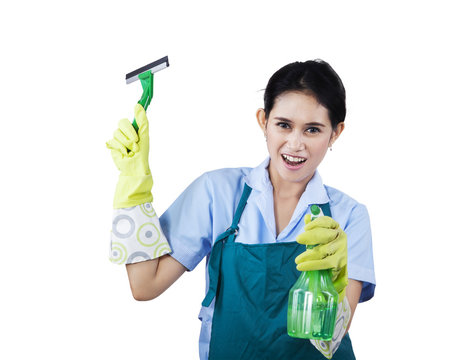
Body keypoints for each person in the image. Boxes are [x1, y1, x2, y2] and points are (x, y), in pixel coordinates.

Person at [106, 59, 376, 360]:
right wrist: (133, 190)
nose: (295, 143)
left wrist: (335, 287)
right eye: (283, 125)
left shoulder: (347, 217)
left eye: (312, 130)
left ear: (335, 133)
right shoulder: (217, 194)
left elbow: (331, 341)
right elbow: (145, 285)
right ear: (263, 121)